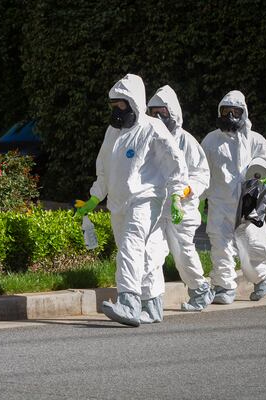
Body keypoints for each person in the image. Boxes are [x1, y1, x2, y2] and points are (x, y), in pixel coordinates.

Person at [74, 74, 188, 327]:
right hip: (118, 202)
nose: (116, 111)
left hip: (147, 199)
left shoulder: (152, 128)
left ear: (133, 102)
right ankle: (152, 306)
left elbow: (175, 164)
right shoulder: (112, 132)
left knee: (130, 248)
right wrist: (94, 198)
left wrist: (178, 196)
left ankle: (128, 302)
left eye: (121, 105)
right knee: (141, 253)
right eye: (113, 106)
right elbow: (103, 167)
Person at [201, 90, 266, 304]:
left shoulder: (255, 140)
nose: (229, 116)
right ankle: (224, 286)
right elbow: (201, 172)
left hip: (250, 201)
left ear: (243, 114)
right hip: (220, 203)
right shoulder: (211, 141)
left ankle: (264, 276)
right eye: (225, 111)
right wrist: (199, 201)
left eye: (235, 111)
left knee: (252, 244)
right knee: (220, 245)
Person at [146, 85, 214, 311]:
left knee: (182, 251)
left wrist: (185, 191)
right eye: (153, 112)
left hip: (182, 208)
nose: (157, 117)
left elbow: (201, 174)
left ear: (173, 112)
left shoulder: (186, 141)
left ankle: (200, 289)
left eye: (162, 112)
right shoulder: (149, 138)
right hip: (157, 206)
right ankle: (149, 299)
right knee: (152, 252)